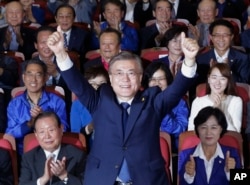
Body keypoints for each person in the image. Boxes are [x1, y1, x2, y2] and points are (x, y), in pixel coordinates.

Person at [47, 24, 199, 184]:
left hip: (147, 179)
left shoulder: (152, 101)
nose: (125, 79)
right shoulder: (99, 100)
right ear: (110, 78)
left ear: (140, 78)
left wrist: (189, 60)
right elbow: (77, 83)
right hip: (103, 179)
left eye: (131, 73)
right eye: (119, 73)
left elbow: (176, 89)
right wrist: (60, 53)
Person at [6, 59, 68, 154]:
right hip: (24, 153)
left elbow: (64, 128)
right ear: (23, 77)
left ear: (46, 78)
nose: (33, 79)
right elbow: (10, 133)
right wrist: (29, 124)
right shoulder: (14, 104)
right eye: (29, 74)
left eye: (38, 75)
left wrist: (46, 119)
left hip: (52, 150)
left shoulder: (57, 101)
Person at [19, 111, 86, 185]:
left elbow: (85, 183)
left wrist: (64, 175)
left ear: (61, 130)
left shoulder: (77, 155)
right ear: (36, 134)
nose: (47, 136)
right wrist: (43, 180)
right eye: (42, 132)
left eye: (51, 130)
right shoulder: (29, 158)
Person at [178, 106, 242, 185]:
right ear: (197, 130)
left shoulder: (233, 153)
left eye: (214, 127)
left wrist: (230, 173)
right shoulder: (185, 155)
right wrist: (188, 176)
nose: (208, 132)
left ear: (221, 129)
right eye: (203, 127)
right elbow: (181, 183)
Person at [142, 61, 189, 152]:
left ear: (168, 81)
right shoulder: (140, 101)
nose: (157, 83)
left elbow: (180, 130)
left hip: (169, 148)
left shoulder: (180, 102)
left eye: (161, 79)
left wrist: (161, 110)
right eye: (153, 79)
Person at [188, 63, 243, 133]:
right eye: (214, 77)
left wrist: (221, 112)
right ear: (209, 79)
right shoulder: (198, 102)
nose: (218, 82)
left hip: (227, 142)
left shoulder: (236, 101)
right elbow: (191, 131)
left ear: (228, 81)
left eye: (223, 78)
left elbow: (236, 134)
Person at [196, 19, 250, 84]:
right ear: (211, 37)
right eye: (217, 35)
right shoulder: (201, 59)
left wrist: (228, 71)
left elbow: (245, 84)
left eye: (225, 35)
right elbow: (198, 86)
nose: (221, 39)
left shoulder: (243, 58)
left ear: (232, 37)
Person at [71, 66, 109, 150]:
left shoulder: (113, 103)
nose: (96, 87)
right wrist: (90, 127)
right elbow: (76, 135)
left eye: (102, 84)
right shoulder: (77, 105)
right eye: (92, 84)